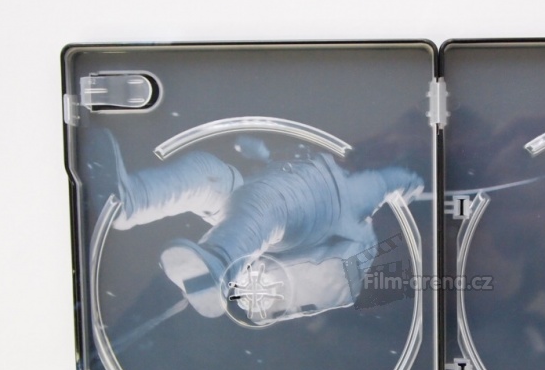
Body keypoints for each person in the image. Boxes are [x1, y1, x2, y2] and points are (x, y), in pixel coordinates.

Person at [82, 128, 422, 324]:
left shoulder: (365, 185)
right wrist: (260, 153)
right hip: (261, 194)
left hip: (305, 215)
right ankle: (130, 200)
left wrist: (406, 180)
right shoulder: (320, 156)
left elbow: (390, 181)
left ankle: (219, 263)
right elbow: (273, 164)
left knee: (265, 203)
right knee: (208, 173)